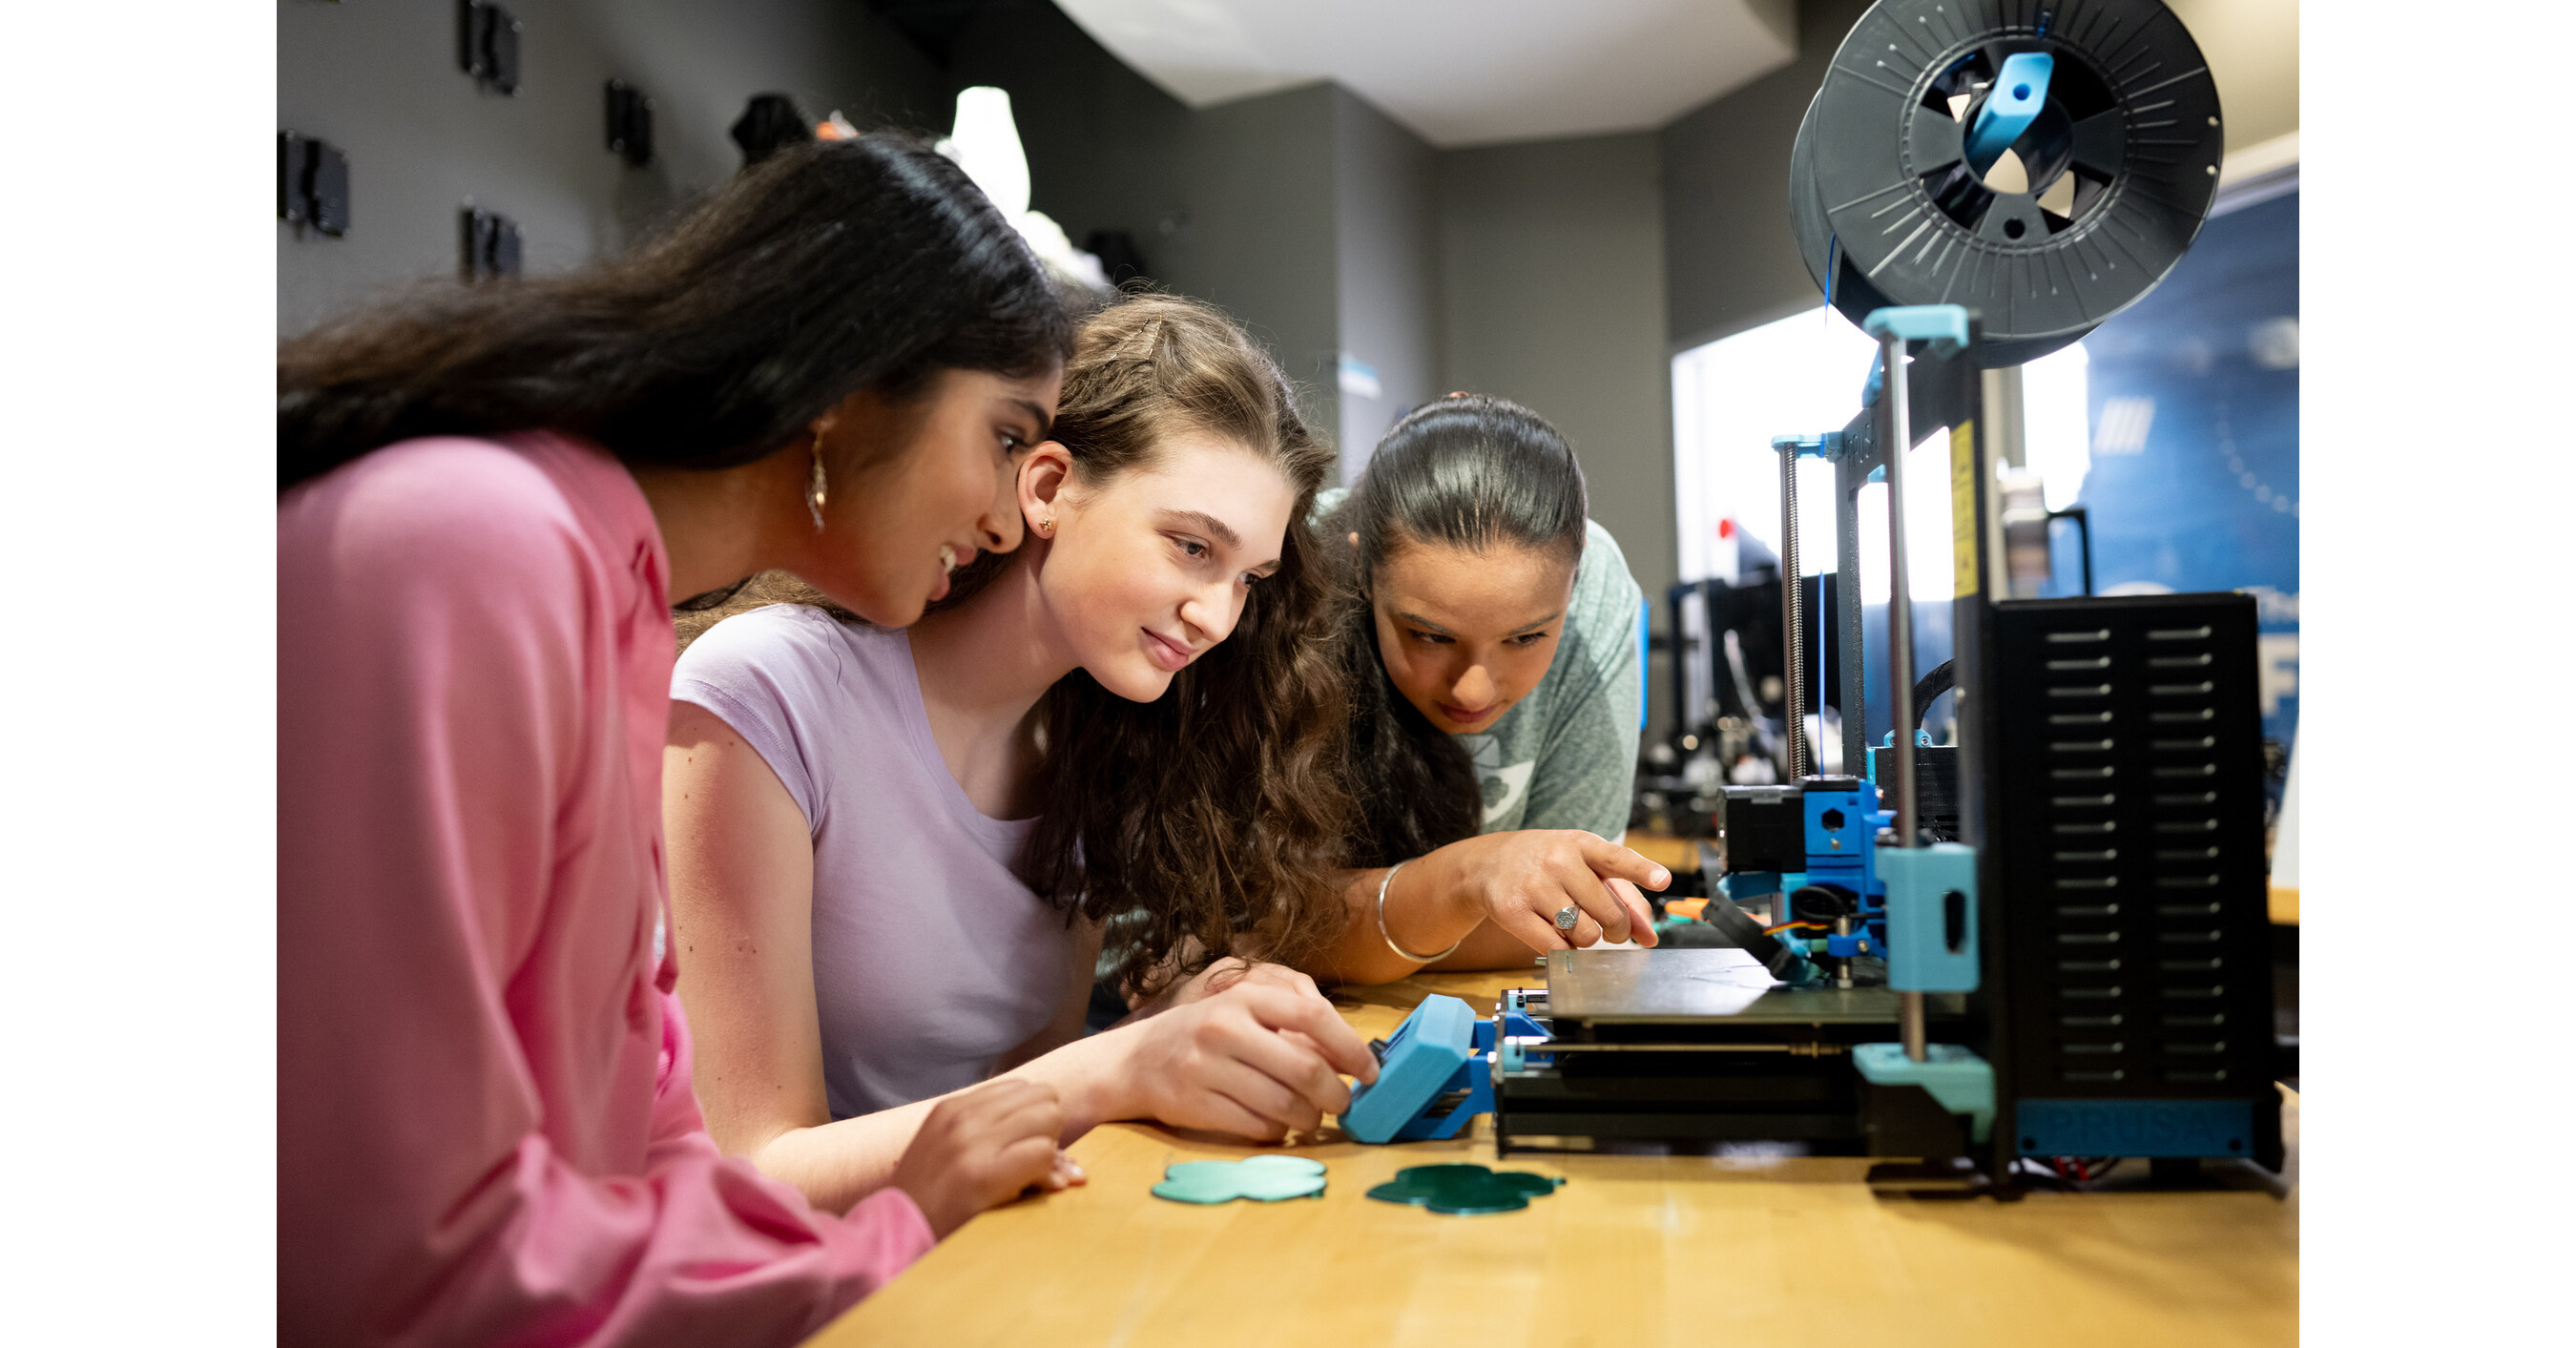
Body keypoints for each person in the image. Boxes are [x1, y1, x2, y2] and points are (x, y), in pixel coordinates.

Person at [279, 135, 1086, 1347]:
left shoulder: (612, 597)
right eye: (1007, 438)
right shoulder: (478, 550)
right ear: (851, 382)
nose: (1009, 511)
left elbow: (649, 1129)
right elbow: (402, 1241)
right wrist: (884, 1238)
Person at [661, 294, 1380, 1217]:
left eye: (1247, 577)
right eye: (1191, 546)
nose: (1218, 615)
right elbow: (753, 1171)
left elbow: (1023, 1087)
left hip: (985, 1249)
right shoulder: (769, 689)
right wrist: (1119, 1062)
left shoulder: (1096, 735)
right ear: (1045, 489)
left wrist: (1178, 1025)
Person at [1298, 394, 1672, 985]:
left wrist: (1357, 922)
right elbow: (1238, 923)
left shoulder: (1599, 584)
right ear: (1363, 573)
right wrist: (1471, 880)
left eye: (1526, 638)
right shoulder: (1288, 573)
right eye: (1428, 636)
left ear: (1574, 588)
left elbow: (1579, 921)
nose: (1473, 690)